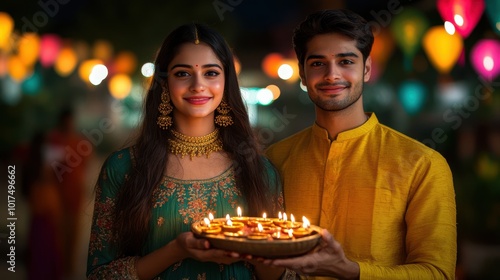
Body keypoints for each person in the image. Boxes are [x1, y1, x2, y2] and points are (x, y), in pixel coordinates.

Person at [264, 9, 457, 279]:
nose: (332, 75)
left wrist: (352, 271)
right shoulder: (276, 159)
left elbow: (438, 273)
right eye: (318, 63)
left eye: (346, 61)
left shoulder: (421, 164)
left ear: (366, 69)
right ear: (303, 74)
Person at [86, 23, 285, 279]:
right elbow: (99, 275)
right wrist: (176, 250)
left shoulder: (259, 170)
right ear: (165, 82)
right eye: (182, 73)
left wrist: (253, 253)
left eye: (211, 73)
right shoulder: (124, 167)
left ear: (226, 81)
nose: (198, 85)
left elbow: (282, 276)